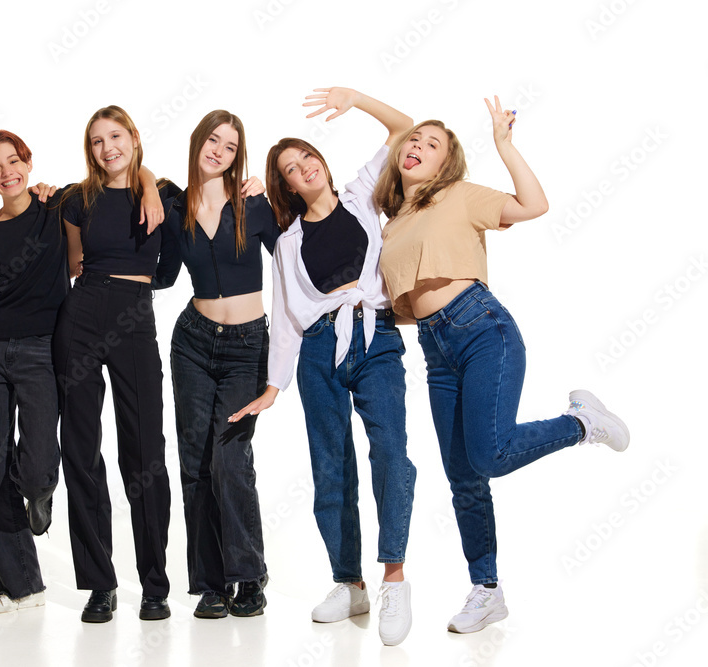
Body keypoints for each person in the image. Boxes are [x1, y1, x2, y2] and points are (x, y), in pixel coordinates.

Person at [374, 97, 629, 634]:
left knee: (489, 455)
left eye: (432, 143)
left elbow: (534, 205)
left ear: (446, 165)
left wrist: (504, 145)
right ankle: (487, 591)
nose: (416, 146)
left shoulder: (460, 196)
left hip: (483, 330)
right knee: (463, 478)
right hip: (436, 351)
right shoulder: (393, 220)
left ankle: (584, 423)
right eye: (413, 141)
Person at [232, 88, 417, 646]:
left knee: (390, 452)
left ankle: (394, 578)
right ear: (286, 185)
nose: (302, 168)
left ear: (322, 162)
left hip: (375, 336)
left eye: (307, 157)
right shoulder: (287, 242)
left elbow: (405, 127)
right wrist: (273, 384)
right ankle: (349, 582)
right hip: (317, 350)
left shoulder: (362, 196)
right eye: (290, 168)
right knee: (329, 465)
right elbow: (287, 317)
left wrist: (354, 99)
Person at [152, 110, 276, 618]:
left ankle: (248, 574)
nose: (219, 151)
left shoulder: (253, 203)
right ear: (197, 142)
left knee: (230, 461)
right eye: (212, 140)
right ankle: (209, 583)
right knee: (194, 463)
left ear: (237, 154)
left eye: (229, 145)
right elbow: (161, 276)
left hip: (247, 345)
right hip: (193, 343)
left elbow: (294, 265)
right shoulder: (174, 205)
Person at [52, 105, 172, 623]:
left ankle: (154, 583)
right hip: (82, 311)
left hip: (134, 312)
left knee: (144, 449)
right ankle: (99, 584)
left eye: (116, 136)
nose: (108, 148)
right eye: (97, 141)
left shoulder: (164, 193)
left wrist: (145, 182)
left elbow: (169, 266)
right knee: (81, 449)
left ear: (134, 137)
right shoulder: (76, 200)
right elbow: (71, 263)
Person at [0, 130, 69, 613]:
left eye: (13, 161)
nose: (6, 172)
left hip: (43, 347)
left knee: (39, 453)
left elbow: (120, 184)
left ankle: (39, 490)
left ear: (28, 163)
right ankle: (20, 585)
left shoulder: (57, 207)